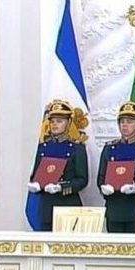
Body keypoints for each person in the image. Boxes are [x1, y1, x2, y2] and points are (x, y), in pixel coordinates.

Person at [26, 99, 89, 231]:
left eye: (59, 121)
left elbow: (82, 180)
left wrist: (61, 187)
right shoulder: (43, 147)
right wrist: (35, 184)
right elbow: (35, 174)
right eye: (52, 121)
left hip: (68, 207)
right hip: (46, 208)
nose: (54, 124)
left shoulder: (77, 149)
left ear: (69, 123)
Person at [97, 101, 135, 233]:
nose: (125, 125)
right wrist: (104, 188)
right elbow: (101, 178)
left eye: (129, 122)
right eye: (122, 121)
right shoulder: (109, 149)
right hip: (115, 209)